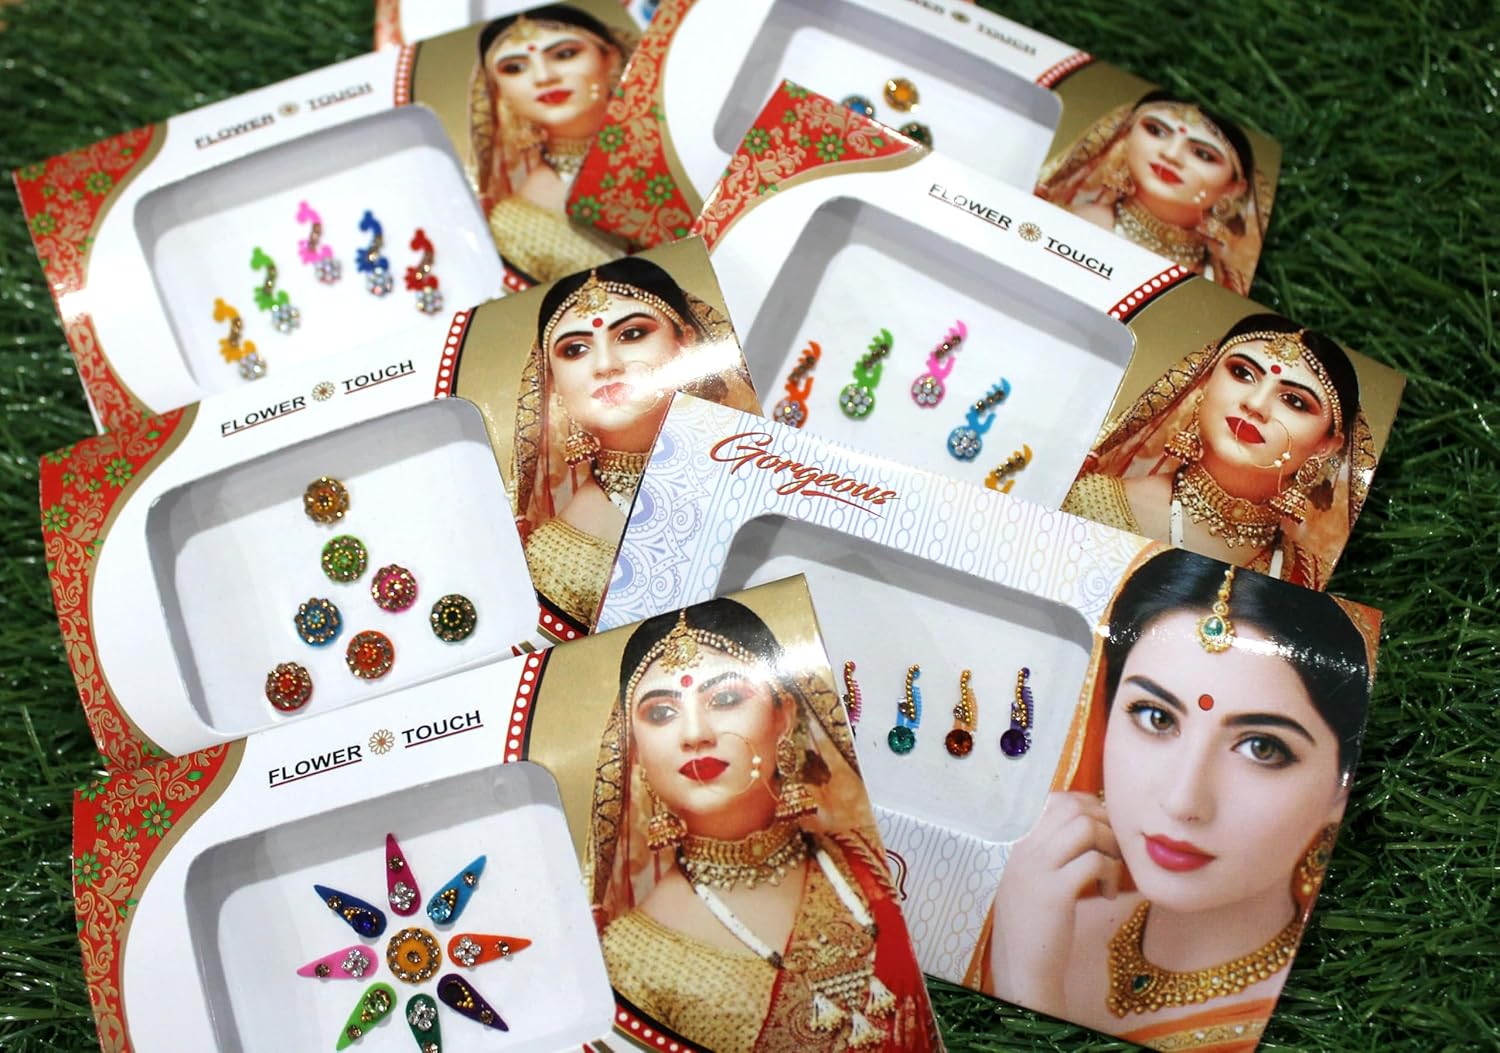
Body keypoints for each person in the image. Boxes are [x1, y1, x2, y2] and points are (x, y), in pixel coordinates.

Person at [970, 547, 1376, 1051]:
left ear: (1342, 786)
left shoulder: (1322, 1022)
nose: (1183, 801)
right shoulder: (1035, 908)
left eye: (1262, 748)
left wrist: (1027, 989)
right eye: (1156, 717)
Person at [588, 598, 939, 1052]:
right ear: (633, 751)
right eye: (661, 713)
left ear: (784, 716)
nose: (695, 734)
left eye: (725, 698)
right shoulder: (629, 959)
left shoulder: (869, 857)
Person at [512, 257, 757, 630]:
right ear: (554, 384)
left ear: (686, 343)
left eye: (631, 334)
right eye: (575, 350)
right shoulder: (554, 560)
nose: (605, 365)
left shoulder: (758, 462)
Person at [1061, 313, 1374, 589]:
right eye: (1243, 373)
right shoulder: (1090, 502)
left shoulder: (1309, 578)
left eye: (1294, 401)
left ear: (1325, 446)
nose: (1255, 404)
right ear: (1205, 381)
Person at [1036, 91, 1266, 295]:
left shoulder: (1221, 278)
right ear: (1126, 137)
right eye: (1156, 131)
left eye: (1203, 154)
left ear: (1233, 189)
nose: (1171, 154)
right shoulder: (1082, 224)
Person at [469, 8, 635, 284]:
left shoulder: (674, 144)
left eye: (565, 54)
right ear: (498, 92)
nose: (544, 76)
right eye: (515, 68)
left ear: (611, 58)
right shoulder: (514, 223)